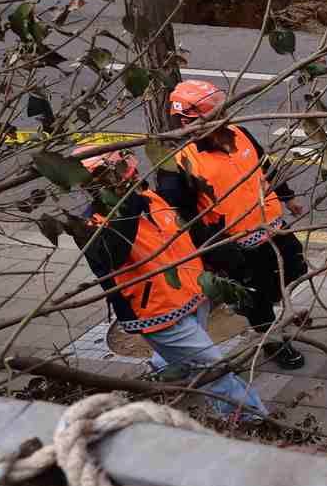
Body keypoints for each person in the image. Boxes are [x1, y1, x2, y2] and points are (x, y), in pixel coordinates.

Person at [73, 147, 268, 421]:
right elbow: (114, 254)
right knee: (214, 371)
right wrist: (128, 206)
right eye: (127, 177)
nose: (136, 179)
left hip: (192, 296)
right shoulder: (90, 225)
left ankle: (165, 371)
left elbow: (181, 236)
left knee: (191, 358)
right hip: (158, 315)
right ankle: (252, 420)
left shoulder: (152, 199)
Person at [156, 80, 307, 370]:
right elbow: (183, 219)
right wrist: (216, 253)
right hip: (235, 244)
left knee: (296, 267)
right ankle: (273, 342)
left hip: (273, 227)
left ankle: (269, 306)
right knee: (255, 298)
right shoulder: (178, 163)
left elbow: (265, 167)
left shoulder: (240, 134)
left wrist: (288, 197)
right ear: (188, 121)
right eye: (217, 114)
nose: (225, 117)